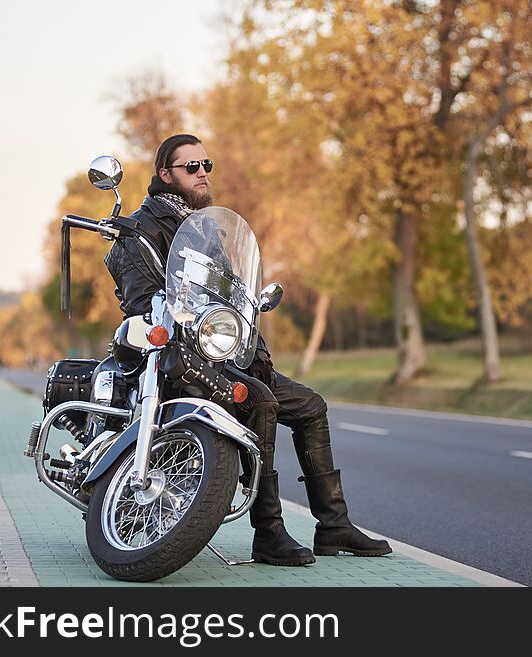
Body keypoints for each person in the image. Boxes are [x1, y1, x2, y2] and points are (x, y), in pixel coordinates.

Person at [105, 133, 391, 565]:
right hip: (181, 361)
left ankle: (333, 526)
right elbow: (142, 302)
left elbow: (232, 297)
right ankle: (269, 531)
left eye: (207, 165)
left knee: (311, 405)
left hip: (226, 357)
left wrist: (250, 341)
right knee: (261, 402)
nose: (203, 173)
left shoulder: (202, 228)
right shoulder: (140, 232)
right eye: (192, 167)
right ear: (165, 175)